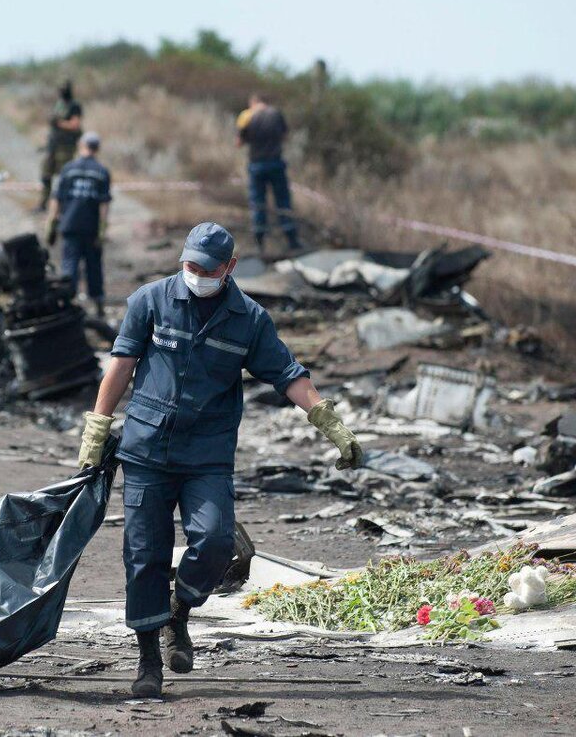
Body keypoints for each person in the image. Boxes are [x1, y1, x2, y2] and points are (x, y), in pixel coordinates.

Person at [76, 222, 361, 699]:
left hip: (207, 455)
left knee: (213, 542)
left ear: (229, 268)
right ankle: (148, 661)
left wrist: (329, 423)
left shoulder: (249, 319)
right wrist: (97, 429)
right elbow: (121, 365)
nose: (196, 274)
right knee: (143, 554)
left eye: (207, 268)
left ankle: (179, 613)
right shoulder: (150, 300)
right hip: (146, 449)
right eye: (189, 265)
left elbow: (287, 374)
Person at [45, 132, 112, 317]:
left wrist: (50, 225)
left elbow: (56, 199)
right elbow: (103, 204)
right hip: (91, 228)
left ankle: (67, 304)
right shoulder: (101, 171)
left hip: (69, 226)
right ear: (97, 148)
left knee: (69, 266)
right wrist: (102, 230)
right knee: (94, 267)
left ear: (80, 145)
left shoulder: (68, 169)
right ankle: (98, 306)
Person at [237, 93, 301, 252]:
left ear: (253, 102)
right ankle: (292, 241)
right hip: (275, 163)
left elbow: (239, 142)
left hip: (256, 165)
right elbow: (285, 136)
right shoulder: (276, 114)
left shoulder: (247, 116)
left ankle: (260, 244)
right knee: (283, 201)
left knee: (258, 203)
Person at [36, 79, 83, 212]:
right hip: (53, 145)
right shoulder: (59, 104)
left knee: (65, 175)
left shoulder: (74, 106)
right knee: (46, 174)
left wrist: (59, 123)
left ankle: (66, 205)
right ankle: (43, 203)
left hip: (66, 147)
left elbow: (75, 125)